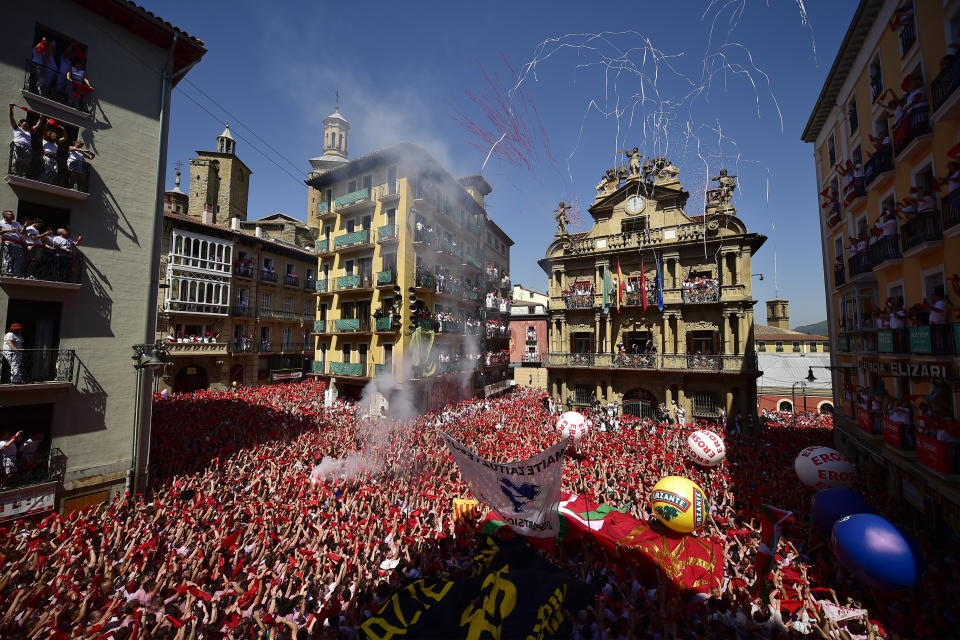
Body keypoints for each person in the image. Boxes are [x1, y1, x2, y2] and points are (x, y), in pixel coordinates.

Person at [9, 104, 42, 177]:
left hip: (27, 147)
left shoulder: (29, 131)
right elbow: (11, 118)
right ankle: (14, 172)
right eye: (25, 122)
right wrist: (11, 109)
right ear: (21, 124)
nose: (27, 124)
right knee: (17, 159)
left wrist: (40, 118)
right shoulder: (17, 128)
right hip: (18, 145)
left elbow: (37, 126)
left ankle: (23, 174)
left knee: (26, 162)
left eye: (27, 123)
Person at [0, 210, 25, 277]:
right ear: (5, 215)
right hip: (7, 242)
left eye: (12, 214)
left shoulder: (16, 223)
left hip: (17, 243)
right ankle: (7, 272)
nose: (13, 215)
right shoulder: (1, 223)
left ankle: (16, 273)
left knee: (19, 258)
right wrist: (8, 230)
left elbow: (22, 233)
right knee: (8, 258)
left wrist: (24, 227)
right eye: (11, 214)